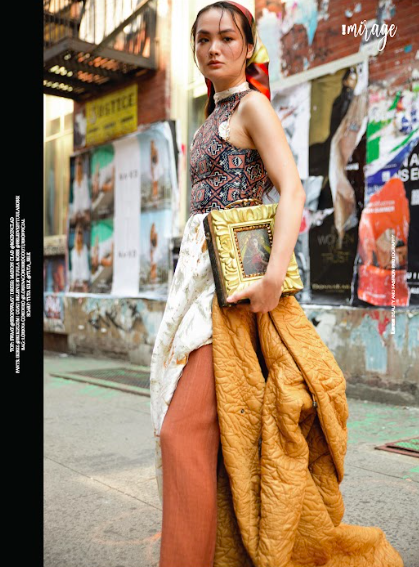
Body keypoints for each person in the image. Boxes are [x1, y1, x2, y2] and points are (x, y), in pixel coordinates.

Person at [149, 3, 403, 567]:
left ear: (247, 48)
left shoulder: (253, 106)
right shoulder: (210, 116)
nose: (214, 48)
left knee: (180, 433)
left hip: (233, 295)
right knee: (218, 444)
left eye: (227, 38)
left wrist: (270, 281)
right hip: (198, 286)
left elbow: (291, 188)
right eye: (203, 39)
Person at [69, 222, 90, 292]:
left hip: (84, 281)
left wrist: (85, 281)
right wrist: (74, 281)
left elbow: (85, 266)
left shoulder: (85, 249)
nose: (79, 236)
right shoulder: (73, 252)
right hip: (75, 282)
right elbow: (73, 268)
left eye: (80, 234)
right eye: (77, 234)